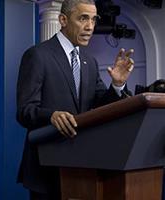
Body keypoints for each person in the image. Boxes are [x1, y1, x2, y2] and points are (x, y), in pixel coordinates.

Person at [16, 0, 134, 199]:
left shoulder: (90, 62)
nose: (90, 26)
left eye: (93, 19)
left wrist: (117, 85)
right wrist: (52, 115)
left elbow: (99, 107)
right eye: (83, 18)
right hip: (47, 168)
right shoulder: (37, 55)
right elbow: (24, 111)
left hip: (82, 167)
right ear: (63, 19)